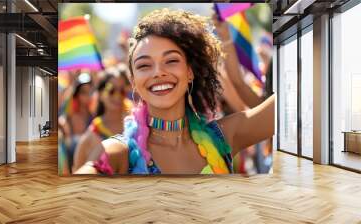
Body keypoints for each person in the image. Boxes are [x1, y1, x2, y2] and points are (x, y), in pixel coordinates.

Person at [75, 8, 274, 175]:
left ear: (189, 72)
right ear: (134, 80)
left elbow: (289, 103)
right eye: (144, 65)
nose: (158, 72)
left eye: (171, 60)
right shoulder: (116, 154)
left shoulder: (224, 136)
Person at [72, 67, 132, 172]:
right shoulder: (90, 137)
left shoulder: (134, 124)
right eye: (111, 90)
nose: (117, 96)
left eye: (122, 90)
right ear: (100, 94)